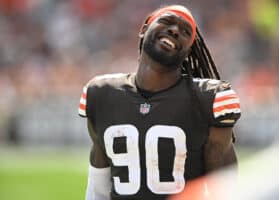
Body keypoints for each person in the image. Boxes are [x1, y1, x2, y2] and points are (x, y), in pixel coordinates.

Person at [78, 4, 241, 200]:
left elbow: (224, 188)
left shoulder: (208, 99)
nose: (174, 30)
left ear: (189, 51)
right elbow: (98, 186)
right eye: (166, 21)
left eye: (185, 32)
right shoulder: (101, 94)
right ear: (144, 30)